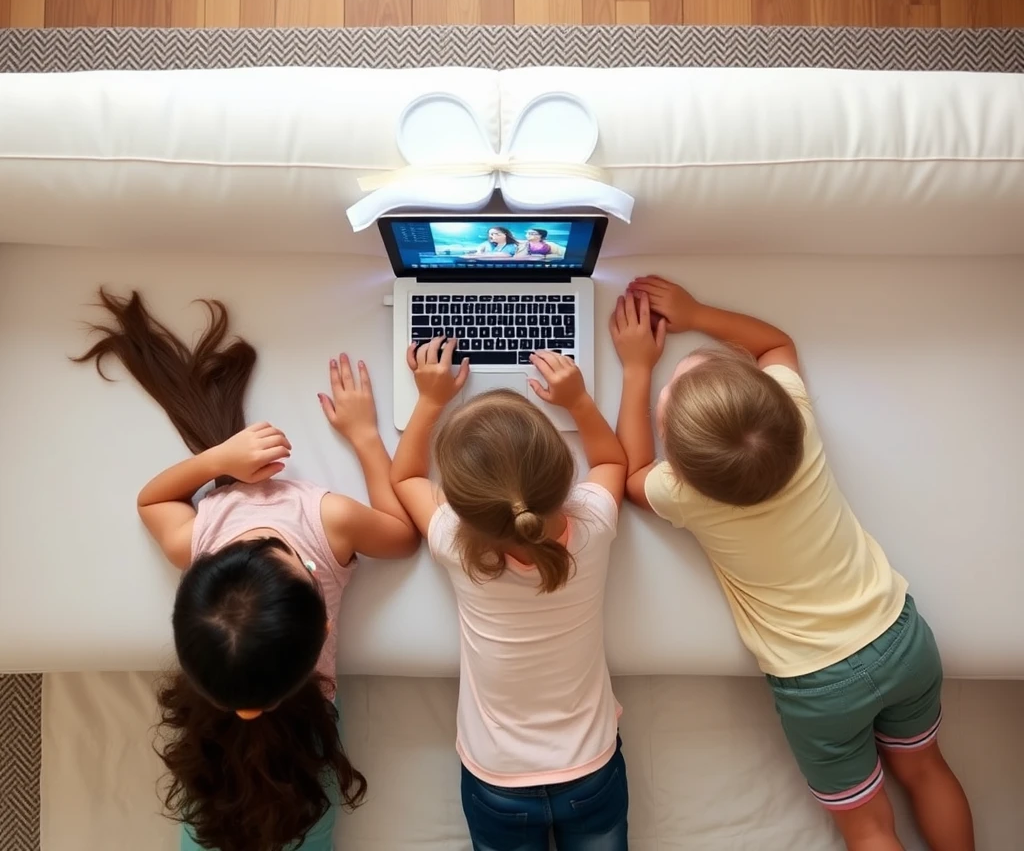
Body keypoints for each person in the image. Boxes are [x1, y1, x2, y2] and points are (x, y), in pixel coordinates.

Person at [610, 277, 975, 851]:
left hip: (818, 684)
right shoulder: (796, 423)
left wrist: (637, 369)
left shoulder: (683, 494)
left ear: (674, 462)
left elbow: (631, 477)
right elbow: (776, 345)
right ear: (774, 399)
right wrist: (698, 312)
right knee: (928, 769)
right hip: (900, 636)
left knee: (868, 823)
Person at [74, 289, 420, 851]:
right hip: (304, 747)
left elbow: (150, 503)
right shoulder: (327, 520)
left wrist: (216, 460)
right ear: (323, 633)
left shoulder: (204, 532)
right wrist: (364, 437)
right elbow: (403, 536)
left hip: (216, 746)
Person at [389, 336, 630, 851]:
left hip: (496, 779)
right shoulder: (592, 522)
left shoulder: (454, 542)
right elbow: (611, 462)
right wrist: (579, 401)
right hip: (591, 768)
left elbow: (405, 475)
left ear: (458, 506)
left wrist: (430, 400)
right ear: (564, 475)